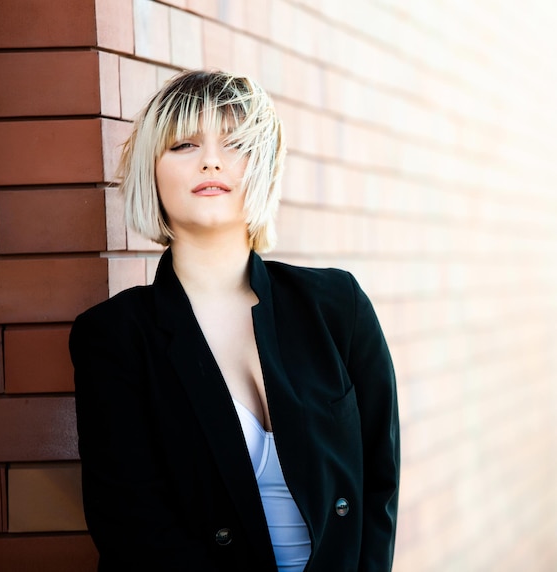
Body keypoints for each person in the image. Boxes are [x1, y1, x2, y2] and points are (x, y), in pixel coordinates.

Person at [69, 69, 400, 572]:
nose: (210, 160)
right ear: (151, 171)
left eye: (235, 142)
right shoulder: (114, 336)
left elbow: (379, 485)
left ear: (264, 167)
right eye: (183, 145)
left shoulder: (337, 306)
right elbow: (133, 528)